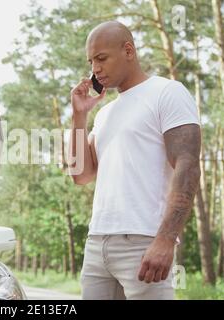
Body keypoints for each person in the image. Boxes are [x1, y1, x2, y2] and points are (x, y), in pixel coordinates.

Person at [68, 21, 201, 300]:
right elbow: (80, 175)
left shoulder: (167, 92)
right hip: (97, 242)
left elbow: (187, 167)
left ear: (128, 50)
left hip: (143, 241)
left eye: (102, 58)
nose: (95, 69)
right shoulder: (105, 114)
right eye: (91, 61)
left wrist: (165, 239)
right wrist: (79, 117)